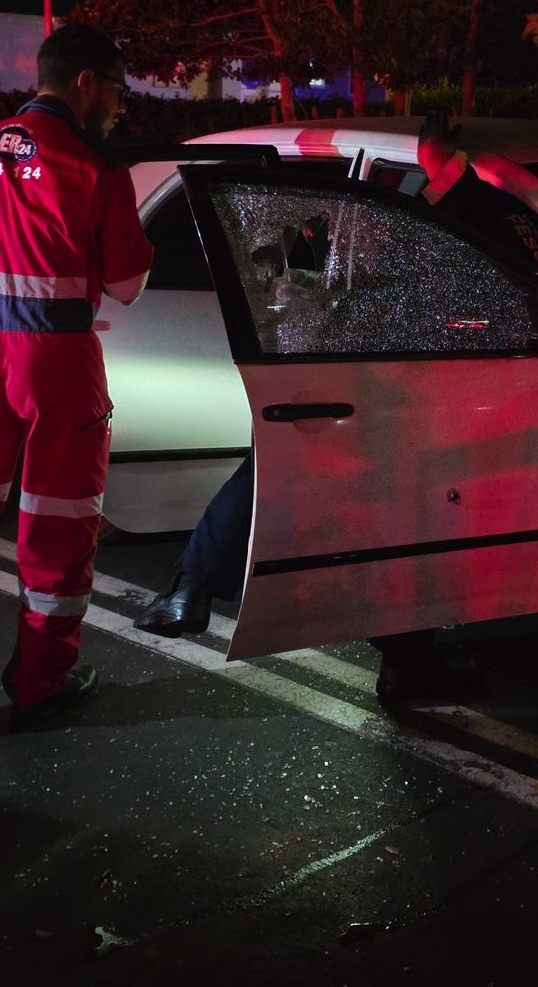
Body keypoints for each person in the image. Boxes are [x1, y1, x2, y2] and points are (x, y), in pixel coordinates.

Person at [133, 115, 502, 704]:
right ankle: (406, 663)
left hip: (330, 378)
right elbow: (477, 231)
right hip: (381, 389)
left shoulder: (321, 221)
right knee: (396, 517)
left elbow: (282, 288)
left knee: (285, 477)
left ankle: (192, 584)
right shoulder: (369, 228)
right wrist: (444, 162)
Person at [0, 23, 153, 727]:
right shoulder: (96, 168)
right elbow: (129, 283)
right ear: (86, 82)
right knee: (59, 523)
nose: (119, 106)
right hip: (59, 364)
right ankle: (41, 681)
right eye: (117, 90)